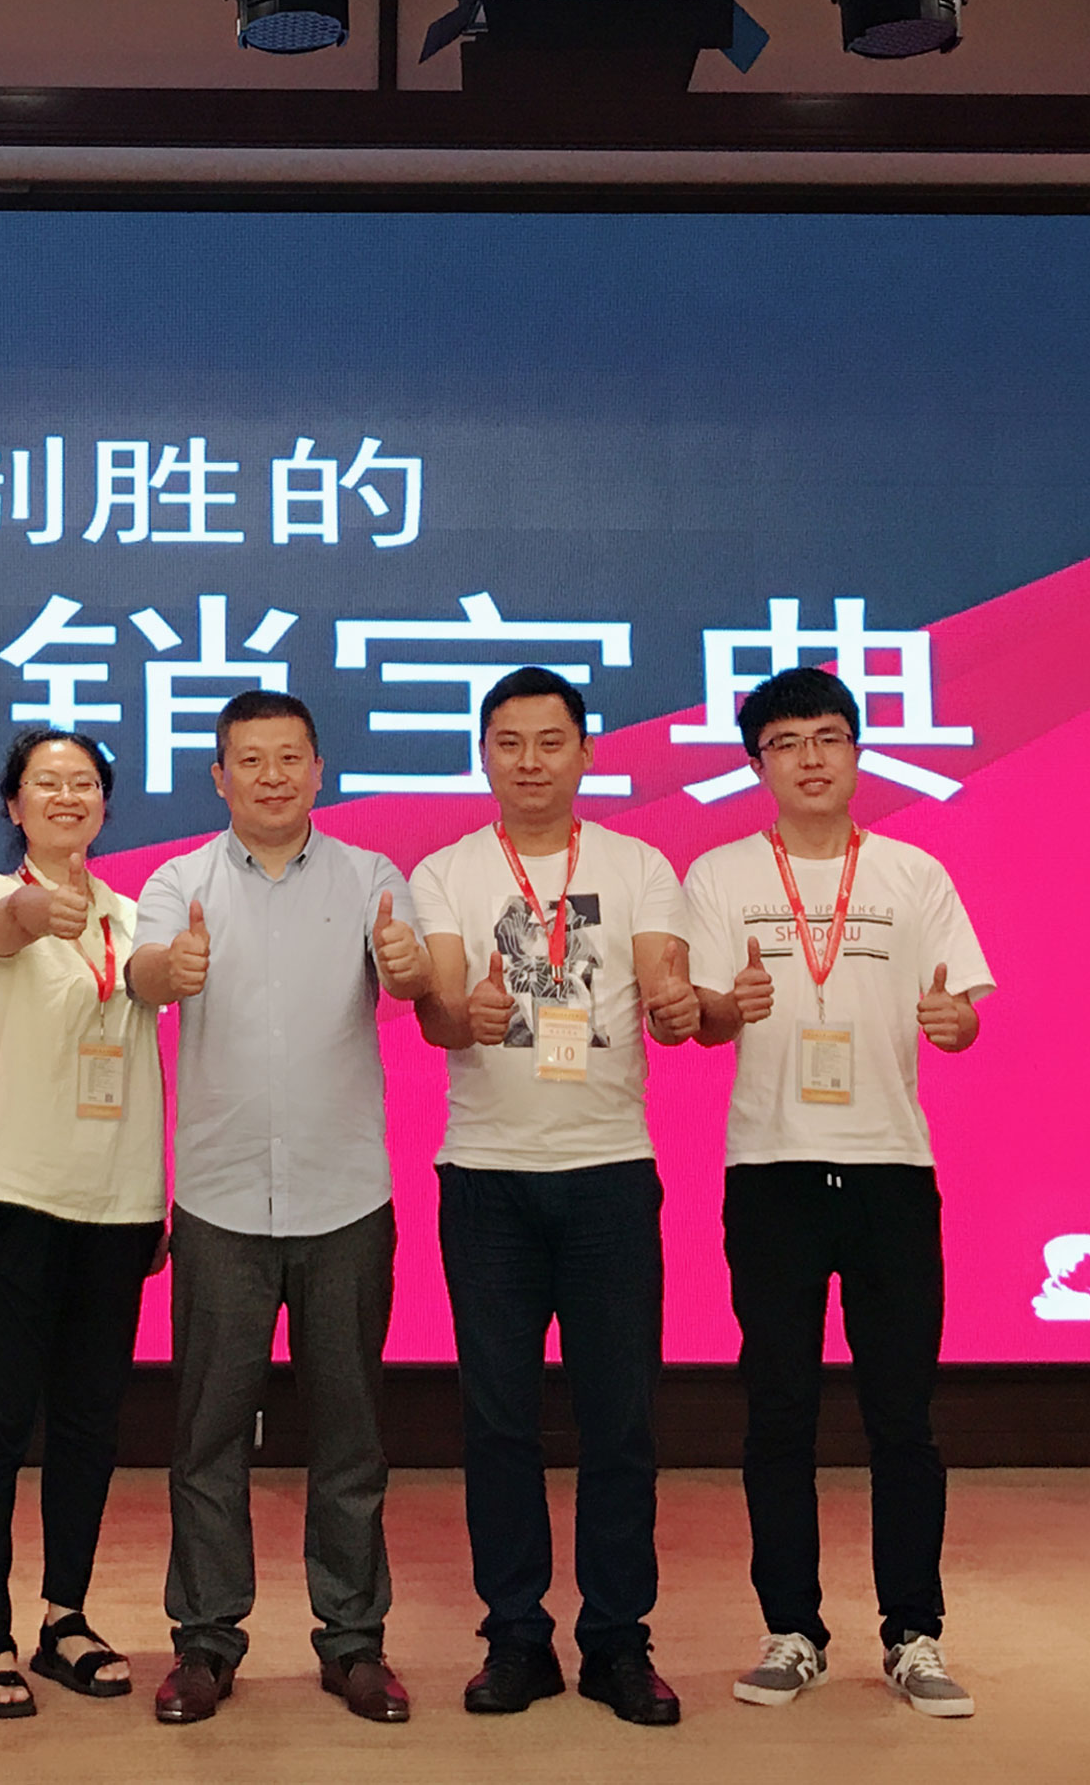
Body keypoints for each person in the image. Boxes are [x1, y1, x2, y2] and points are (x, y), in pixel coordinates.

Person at [669, 665, 995, 1723]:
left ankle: (914, 1632)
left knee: (903, 1414)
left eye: (828, 736)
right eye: (786, 741)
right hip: (772, 1171)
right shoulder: (720, 874)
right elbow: (704, 1019)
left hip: (893, 1170)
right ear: (756, 762)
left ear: (856, 750)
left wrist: (956, 1025)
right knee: (779, 1410)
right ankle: (793, 1629)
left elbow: (963, 1010)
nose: (810, 758)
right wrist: (728, 1005)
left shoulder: (912, 873)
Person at [126, 688, 437, 1727]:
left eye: (288, 757)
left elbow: (411, 973)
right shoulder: (179, 880)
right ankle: (205, 1640)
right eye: (249, 759)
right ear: (219, 776)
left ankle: (353, 1641)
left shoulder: (371, 876)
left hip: (344, 1194)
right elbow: (143, 972)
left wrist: (408, 966)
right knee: (207, 1434)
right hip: (220, 1199)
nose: (270, 775)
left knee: (350, 1434)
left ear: (318, 770)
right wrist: (169, 967)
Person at [407, 667, 689, 1726]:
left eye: (550, 740)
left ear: (585, 751)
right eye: (509, 742)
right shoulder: (445, 870)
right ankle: (516, 1635)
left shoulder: (638, 862)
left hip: (610, 1172)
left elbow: (663, 980)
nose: (529, 760)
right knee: (499, 1421)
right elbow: (438, 1007)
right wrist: (462, 1015)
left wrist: (674, 1005)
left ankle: (617, 1639)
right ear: (483, 754)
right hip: (486, 1178)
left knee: (620, 1421)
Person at [0, 727, 164, 1719]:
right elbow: (12, 924)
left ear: (105, 804)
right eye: (48, 783)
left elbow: (149, 992)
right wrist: (43, 907)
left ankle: (64, 1615)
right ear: (14, 804)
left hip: (116, 1203)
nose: (68, 796)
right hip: (9, 1196)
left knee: (88, 1422)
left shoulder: (131, 913)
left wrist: (176, 965)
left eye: (84, 783)